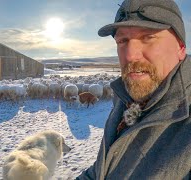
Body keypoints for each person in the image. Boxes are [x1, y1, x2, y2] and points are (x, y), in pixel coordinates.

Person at [76, 0, 190, 179]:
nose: (130, 55)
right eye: (122, 40)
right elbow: (101, 170)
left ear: (181, 48)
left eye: (148, 37)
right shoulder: (125, 98)